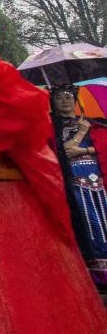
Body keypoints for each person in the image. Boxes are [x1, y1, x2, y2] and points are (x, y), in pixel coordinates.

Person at [51, 87, 107, 290]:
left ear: (76, 99)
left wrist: (84, 149)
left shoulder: (95, 123)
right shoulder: (53, 127)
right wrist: (81, 133)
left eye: (68, 96)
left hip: (99, 176)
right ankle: (99, 274)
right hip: (74, 179)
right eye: (59, 97)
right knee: (87, 222)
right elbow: (63, 151)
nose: (65, 101)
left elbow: (102, 146)